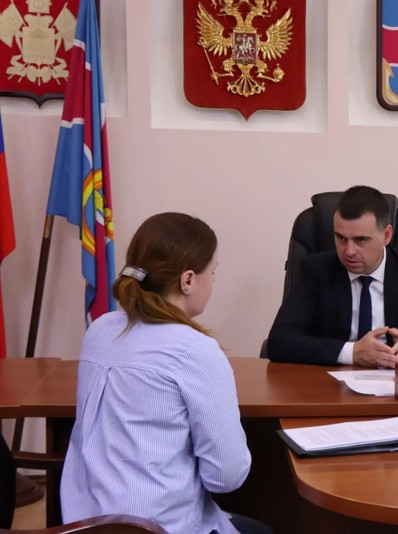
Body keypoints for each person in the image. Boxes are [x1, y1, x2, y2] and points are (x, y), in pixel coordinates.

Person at [60, 213, 271, 534]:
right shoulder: (195, 350)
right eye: (213, 273)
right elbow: (225, 477)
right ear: (188, 280)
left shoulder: (100, 330)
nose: (213, 282)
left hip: (85, 524)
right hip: (157, 527)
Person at [267, 185, 398, 368]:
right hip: (332, 388)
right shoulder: (315, 271)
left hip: (397, 389)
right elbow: (279, 342)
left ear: (386, 235)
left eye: (360, 240)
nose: (349, 250)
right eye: (341, 238)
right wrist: (351, 352)